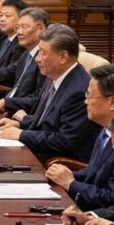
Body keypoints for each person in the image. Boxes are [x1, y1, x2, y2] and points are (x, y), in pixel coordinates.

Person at [0, 24, 100, 163]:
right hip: (40, 149)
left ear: (62, 57)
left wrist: (22, 135)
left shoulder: (79, 90)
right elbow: (47, 122)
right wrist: (19, 124)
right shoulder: (53, 76)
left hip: (56, 162)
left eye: (42, 53)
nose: (37, 58)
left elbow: (65, 141)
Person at [46, 64, 114, 211]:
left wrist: (71, 183)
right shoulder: (105, 129)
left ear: (112, 102)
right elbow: (93, 174)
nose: (85, 101)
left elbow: (110, 198)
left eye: (89, 95)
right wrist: (64, 175)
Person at [0, 0, 28, 69]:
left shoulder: (21, 43)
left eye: (7, 16)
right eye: (1, 15)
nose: (2, 19)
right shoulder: (4, 38)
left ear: (21, 19)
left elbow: (9, 74)